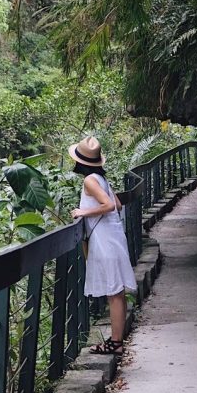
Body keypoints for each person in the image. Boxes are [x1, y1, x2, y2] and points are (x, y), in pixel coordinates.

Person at [69, 135, 136, 355]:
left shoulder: (90, 181)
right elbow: (117, 203)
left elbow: (108, 205)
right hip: (113, 235)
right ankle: (116, 339)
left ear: (80, 162)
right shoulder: (101, 178)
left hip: (104, 239)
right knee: (117, 291)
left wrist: (83, 212)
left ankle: (115, 343)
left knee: (114, 292)